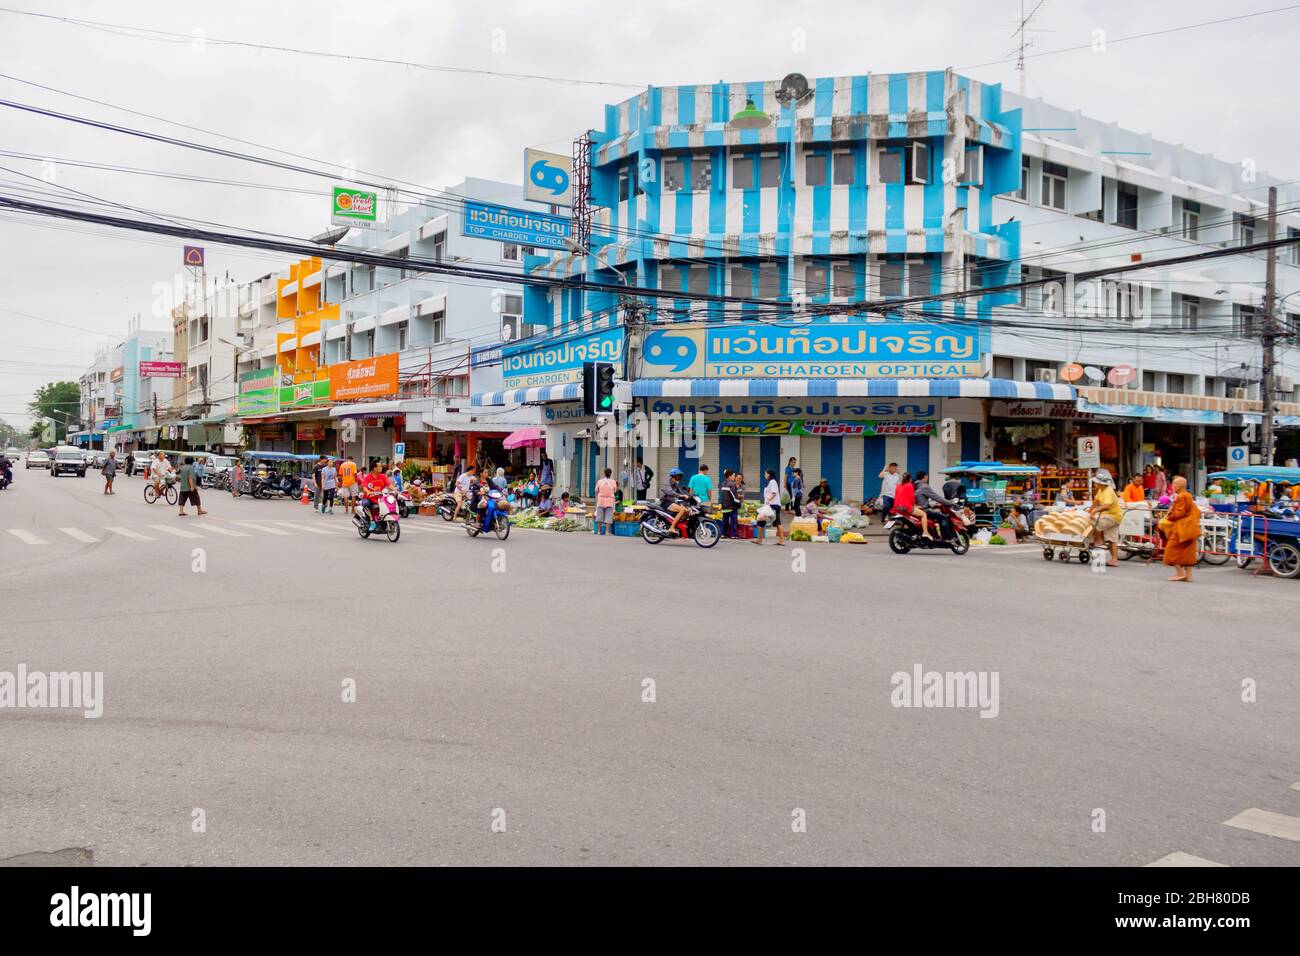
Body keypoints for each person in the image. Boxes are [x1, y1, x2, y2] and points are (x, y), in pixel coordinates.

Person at [1161, 475, 1201, 582]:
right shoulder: (1188, 495)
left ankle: (1180, 573)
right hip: (1191, 528)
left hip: (1182, 528)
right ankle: (1188, 575)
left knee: (1172, 549)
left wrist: (1169, 516)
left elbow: (1180, 512)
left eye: (1174, 484)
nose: (1172, 486)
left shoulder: (1181, 496)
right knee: (1187, 552)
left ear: (1179, 486)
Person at [1088, 469, 1123, 567]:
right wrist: (1090, 509)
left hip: (1113, 516)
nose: (1094, 484)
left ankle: (1099, 540)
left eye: (1095, 483)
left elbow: (1107, 505)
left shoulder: (1108, 491)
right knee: (1112, 539)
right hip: (1111, 516)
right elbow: (1096, 501)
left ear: (1100, 483)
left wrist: (1094, 511)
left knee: (1094, 521)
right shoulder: (1101, 490)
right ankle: (1114, 560)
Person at [915, 470, 959, 540]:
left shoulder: (915, 485)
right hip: (924, 510)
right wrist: (950, 502)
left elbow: (920, 499)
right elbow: (937, 497)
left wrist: (931, 505)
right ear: (925, 477)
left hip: (916, 509)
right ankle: (947, 538)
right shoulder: (924, 486)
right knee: (944, 517)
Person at [756, 468, 785, 545]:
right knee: (776, 522)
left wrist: (768, 499)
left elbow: (774, 493)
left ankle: (760, 540)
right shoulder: (771, 482)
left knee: (761, 520)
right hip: (772, 505)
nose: (764, 475)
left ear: (769, 474)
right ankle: (781, 540)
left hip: (773, 505)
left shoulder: (772, 482)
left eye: (765, 473)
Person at [893, 472, 926, 537]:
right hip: (906, 507)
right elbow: (912, 498)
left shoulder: (898, 486)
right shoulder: (909, 485)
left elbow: (896, 496)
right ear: (910, 478)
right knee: (924, 514)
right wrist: (914, 506)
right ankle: (925, 532)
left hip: (897, 507)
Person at [359, 461, 389, 531]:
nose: (381, 467)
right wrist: (368, 492)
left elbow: (389, 484)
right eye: (380, 466)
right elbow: (364, 487)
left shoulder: (382, 476)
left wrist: (396, 490)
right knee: (366, 504)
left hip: (380, 498)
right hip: (369, 498)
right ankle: (372, 522)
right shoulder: (367, 477)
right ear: (374, 468)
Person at [661, 467, 689, 534]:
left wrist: (689, 495)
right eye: (678, 476)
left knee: (687, 511)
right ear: (674, 476)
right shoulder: (667, 483)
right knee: (681, 510)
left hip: (672, 502)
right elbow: (670, 492)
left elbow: (680, 491)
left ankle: (679, 528)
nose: (680, 477)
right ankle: (671, 528)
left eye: (680, 476)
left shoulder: (675, 484)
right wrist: (681, 495)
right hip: (665, 502)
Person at [595, 467, 618, 535]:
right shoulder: (613, 481)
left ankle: (599, 531)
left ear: (604, 473)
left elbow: (596, 490)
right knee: (608, 516)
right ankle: (607, 532)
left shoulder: (600, 481)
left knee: (599, 516)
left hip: (601, 500)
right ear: (610, 474)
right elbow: (615, 490)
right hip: (609, 501)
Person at [720, 469, 741, 539]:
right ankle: (733, 535)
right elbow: (734, 496)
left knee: (725, 520)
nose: (734, 477)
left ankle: (723, 534)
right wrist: (738, 503)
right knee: (733, 521)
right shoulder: (732, 484)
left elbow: (722, 495)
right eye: (734, 475)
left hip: (724, 505)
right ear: (730, 476)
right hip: (731, 506)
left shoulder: (723, 483)